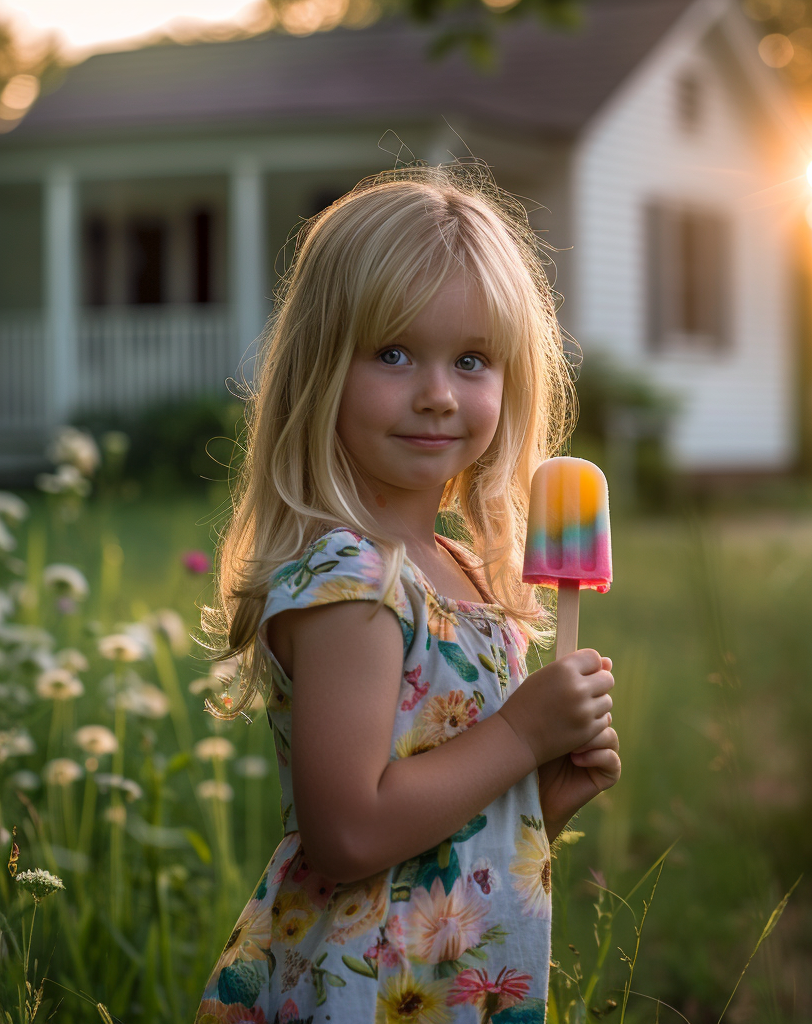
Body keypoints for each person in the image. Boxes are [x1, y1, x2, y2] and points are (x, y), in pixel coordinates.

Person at [194, 163, 620, 1024]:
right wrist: (521, 732)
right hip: (356, 992)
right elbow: (349, 834)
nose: (436, 394)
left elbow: (444, 836)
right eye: (393, 354)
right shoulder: (356, 584)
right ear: (322, 369)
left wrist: (537, 802)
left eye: (471, 360)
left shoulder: (463, 574)